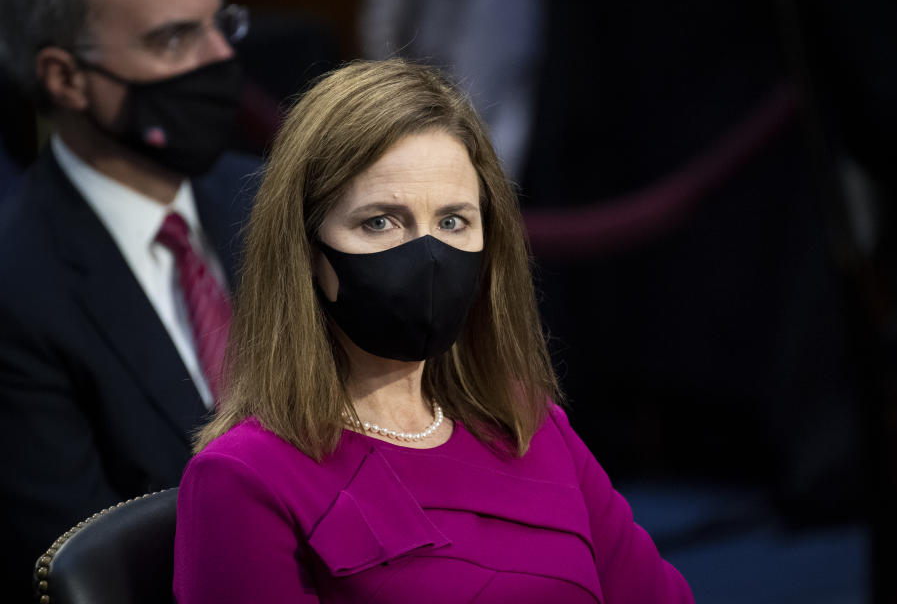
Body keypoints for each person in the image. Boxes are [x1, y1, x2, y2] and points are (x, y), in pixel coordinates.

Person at [173, 59, 694, 603]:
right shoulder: (245, 478)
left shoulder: (531, 425)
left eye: (453, 222)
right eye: (380, 221)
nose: (429, 255)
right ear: (306, 252)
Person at [0, 0, 259, 597]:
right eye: (173, 40)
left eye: (221, 24)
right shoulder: (15, 284)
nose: (220, 57)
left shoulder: (275, 198)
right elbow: (89, 565)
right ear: (65, 78)